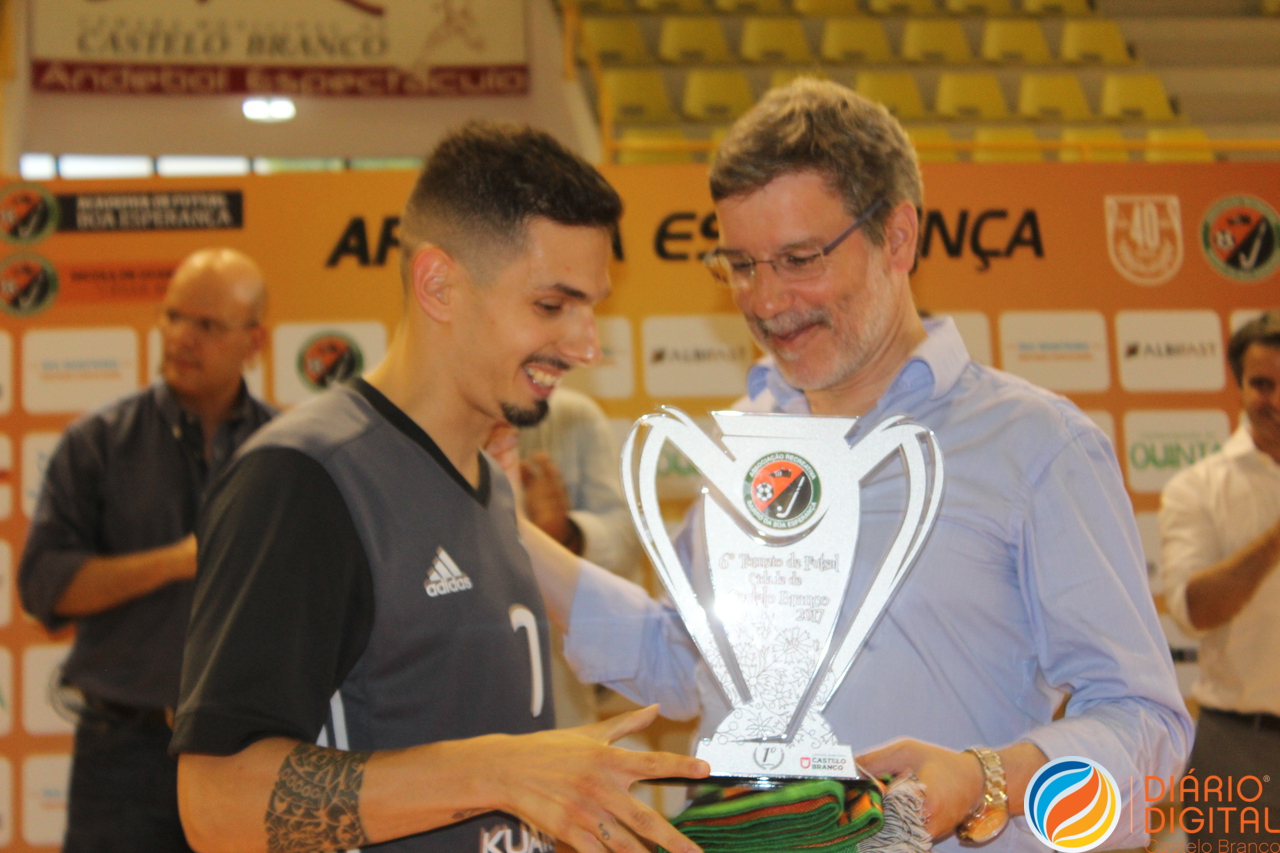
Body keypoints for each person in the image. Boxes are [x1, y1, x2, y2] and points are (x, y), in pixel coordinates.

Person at [520, 79, 1192, 852]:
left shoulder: (1036, 444)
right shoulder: (749, 443)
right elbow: (682, 656)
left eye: (798, 259)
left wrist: (989, 780)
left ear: (897, 237)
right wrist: (502, 531)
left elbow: (1150, 728)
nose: (767, 300)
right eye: (739, 264)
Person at [170, 122, 708, 853]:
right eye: (552, 306)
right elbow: (216, 802)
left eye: (592, 307)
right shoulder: (305, 477)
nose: (586, 345)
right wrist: (495, 770)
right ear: (439, 283)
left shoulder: (485, 478)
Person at [18, 247, 275, 853]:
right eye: (173, 317)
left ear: (255, 341)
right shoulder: (97, 443)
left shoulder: (287, 453)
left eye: (206, 325)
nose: (182, 337)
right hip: (121, 754)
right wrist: (177, 561)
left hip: (249, 753)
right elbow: (43, 585)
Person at [1159, 311, 1280, 846]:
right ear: (1239, 386)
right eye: (1263, 384)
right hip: (1239, 746)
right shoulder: (1197, 488)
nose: (1276, 399)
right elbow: (1196, 609)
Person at [516, 386, 642, 729]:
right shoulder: (403, 417)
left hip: (560, 709)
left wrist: (565, 535)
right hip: (440, 719)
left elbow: (626, 542)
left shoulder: (572, 415)